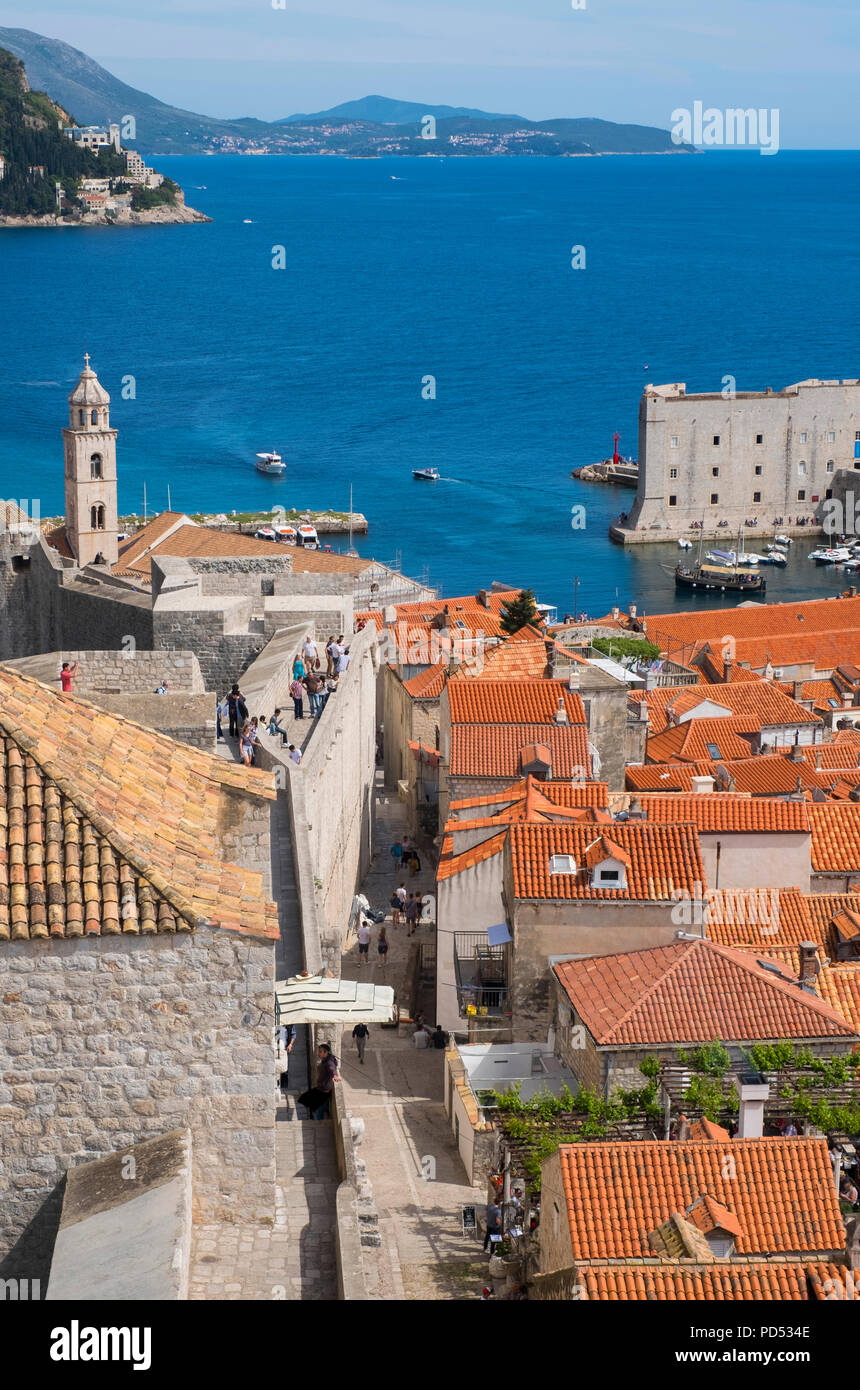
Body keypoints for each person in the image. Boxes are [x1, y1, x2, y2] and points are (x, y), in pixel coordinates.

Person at [298, 1043, 340, 1120]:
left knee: (318, 1109)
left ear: (326, 1053)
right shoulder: (327, 1059)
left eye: (320, 1052)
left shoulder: (329, 1062)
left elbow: (332, 1068)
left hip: (324, 1091)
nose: (318, 1053)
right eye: (319, 1051)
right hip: (321, 1088)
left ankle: (319, 1121)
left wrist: (335, 1075)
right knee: (305, 1098)